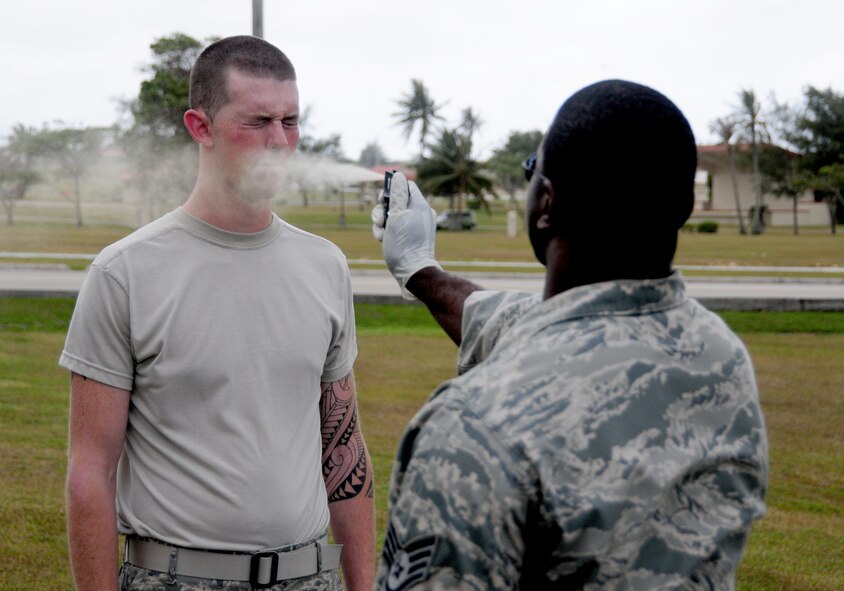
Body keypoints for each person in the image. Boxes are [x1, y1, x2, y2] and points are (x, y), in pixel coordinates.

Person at [371, 79, 768, 589]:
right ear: (685, 208)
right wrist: (422, 271)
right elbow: (537, 325)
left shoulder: (473, 427)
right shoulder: (720, 357)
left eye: (532, 174)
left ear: (546, 204)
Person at [62, 35, 374, 591]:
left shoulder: (326, 266)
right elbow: (91, 471)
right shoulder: (124, 274)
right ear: (199, 126)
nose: (280, 142)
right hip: (175, 578)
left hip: (308, 578)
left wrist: (363, 585)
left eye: (291, 121)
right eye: (257, 122)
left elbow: (342, 447)